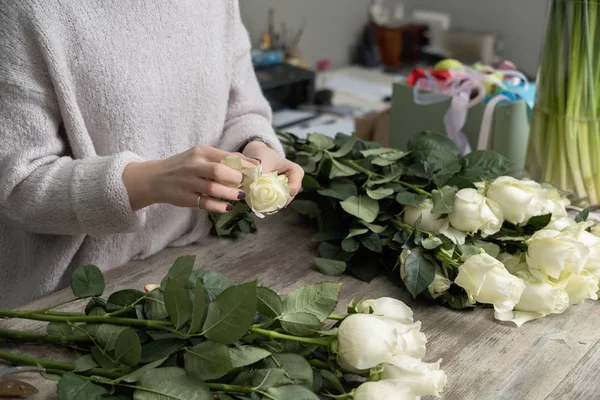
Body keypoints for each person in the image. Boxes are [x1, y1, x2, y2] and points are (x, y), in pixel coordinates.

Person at [0, 0, 304, 308]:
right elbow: (17, 186)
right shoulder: (28, 9)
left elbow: (242, 110)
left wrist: (256, 149)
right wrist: (148, 182)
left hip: (192, 261)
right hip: (67, 300)